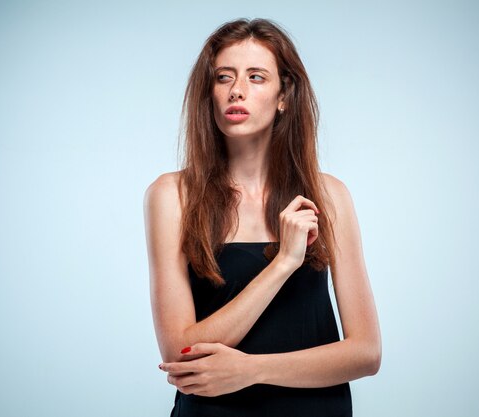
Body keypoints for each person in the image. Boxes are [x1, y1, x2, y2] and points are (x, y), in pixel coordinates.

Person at [144, 17, 381, 417]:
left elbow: (366, 352)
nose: (237, 90)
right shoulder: (173, 196)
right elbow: (180, 354)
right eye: (224, 78)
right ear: (210, 94)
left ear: (283, 94)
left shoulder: (328, 196)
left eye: (256, 77)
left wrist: (251, 370)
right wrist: (284, 263)